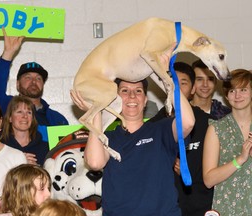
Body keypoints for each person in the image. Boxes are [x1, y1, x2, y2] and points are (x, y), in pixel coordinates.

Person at [71, 44, 195, 216]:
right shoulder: (108, 137)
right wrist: (96, 112)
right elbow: (95, 163)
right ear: (114, 98)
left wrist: (163, 75)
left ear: (145, 100)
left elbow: (188, 122)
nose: (131, 96)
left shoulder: (161, 129)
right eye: (124, 91)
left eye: (138, 91)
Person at [150, 62, 213, 216]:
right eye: (171, 82)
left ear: (193, 89)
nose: (175, 88)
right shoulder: (152, 127)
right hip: (163, 207)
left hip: (200, 206)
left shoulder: (208, 124)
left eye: (182, 83)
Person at [0, 28, 68, 141]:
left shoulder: (57, 119)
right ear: (18, 84)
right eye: (28, 77)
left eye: (38, 78)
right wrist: (8, 54)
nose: (34, 81)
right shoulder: (7, 106)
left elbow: (65, 152)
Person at [203, 69, 252, 215]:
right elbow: (208, 180)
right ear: (226, 95)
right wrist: (240, 160)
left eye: (243, 89)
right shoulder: (216, 129)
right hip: (228, 208)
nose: (237, 95)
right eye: (232, 91)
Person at [1, 96, 49, 166]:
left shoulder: (45, 148)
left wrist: (36, 168)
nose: (25, 116)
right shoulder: (0, 146)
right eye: (19, 112)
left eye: (29, 112)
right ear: (10, 118)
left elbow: (50, 175)